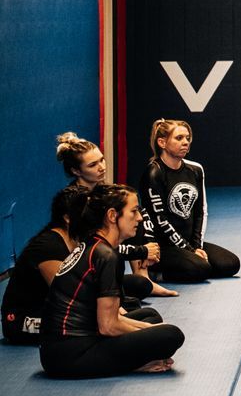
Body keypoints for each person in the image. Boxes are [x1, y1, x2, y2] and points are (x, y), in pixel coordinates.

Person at [39, 183, 186, 378]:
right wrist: (153, 331)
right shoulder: (107, 256)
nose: (140, 218)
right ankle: (134, 365)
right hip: (71, 355)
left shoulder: (93, 244)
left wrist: (149, 328)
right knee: (171, 335)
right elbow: (108, 326)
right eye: (133, 211)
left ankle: (132, 358)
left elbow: (108, 319)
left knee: (150, 315)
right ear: (112, 216)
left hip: (57, 350)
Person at [6, 187, 160, 345]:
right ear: (68, 218)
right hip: (22, 320)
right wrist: (116, 317)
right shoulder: (49, 246)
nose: (93, 215)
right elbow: (67, 298)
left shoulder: (81, 238)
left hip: (60, 309)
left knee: (143, 304)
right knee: (128, 319)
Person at [58, 132, 170, 300]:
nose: (101, 167)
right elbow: (93, 248)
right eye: (92, 165)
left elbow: (142, 215)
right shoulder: (75, 201)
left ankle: (143, 274)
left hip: (104, 258)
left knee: (141, 284)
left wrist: (148, 245)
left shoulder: (104, 191)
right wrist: (142, 251)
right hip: (85, 269)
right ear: (76, 171)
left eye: (102, 160)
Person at [140, 119, 241, 281]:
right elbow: (161, 221)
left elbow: (200, 211)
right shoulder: (154, 173)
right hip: (164, 246)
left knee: (230, 264)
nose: (185, 142)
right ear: (162, 142)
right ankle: (158, 273)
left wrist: (197, 246)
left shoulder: (195, 169)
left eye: (187, 138)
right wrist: (189, 251)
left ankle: (192, 263)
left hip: (188, 242)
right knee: (201, 269)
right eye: (179, 138)